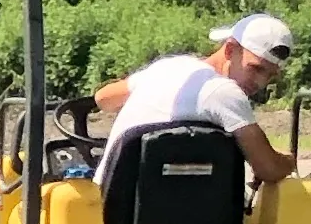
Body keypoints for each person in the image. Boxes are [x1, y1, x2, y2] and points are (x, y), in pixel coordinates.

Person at [93, 13, 297, 194]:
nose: (260, 83)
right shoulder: (224, 92)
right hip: (184, 222)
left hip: (110, 212)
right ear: (230, 50)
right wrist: (288, 162)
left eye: (269, 76)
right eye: (255, 69)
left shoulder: (169, 67)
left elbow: (103, 98)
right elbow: (269, 168)